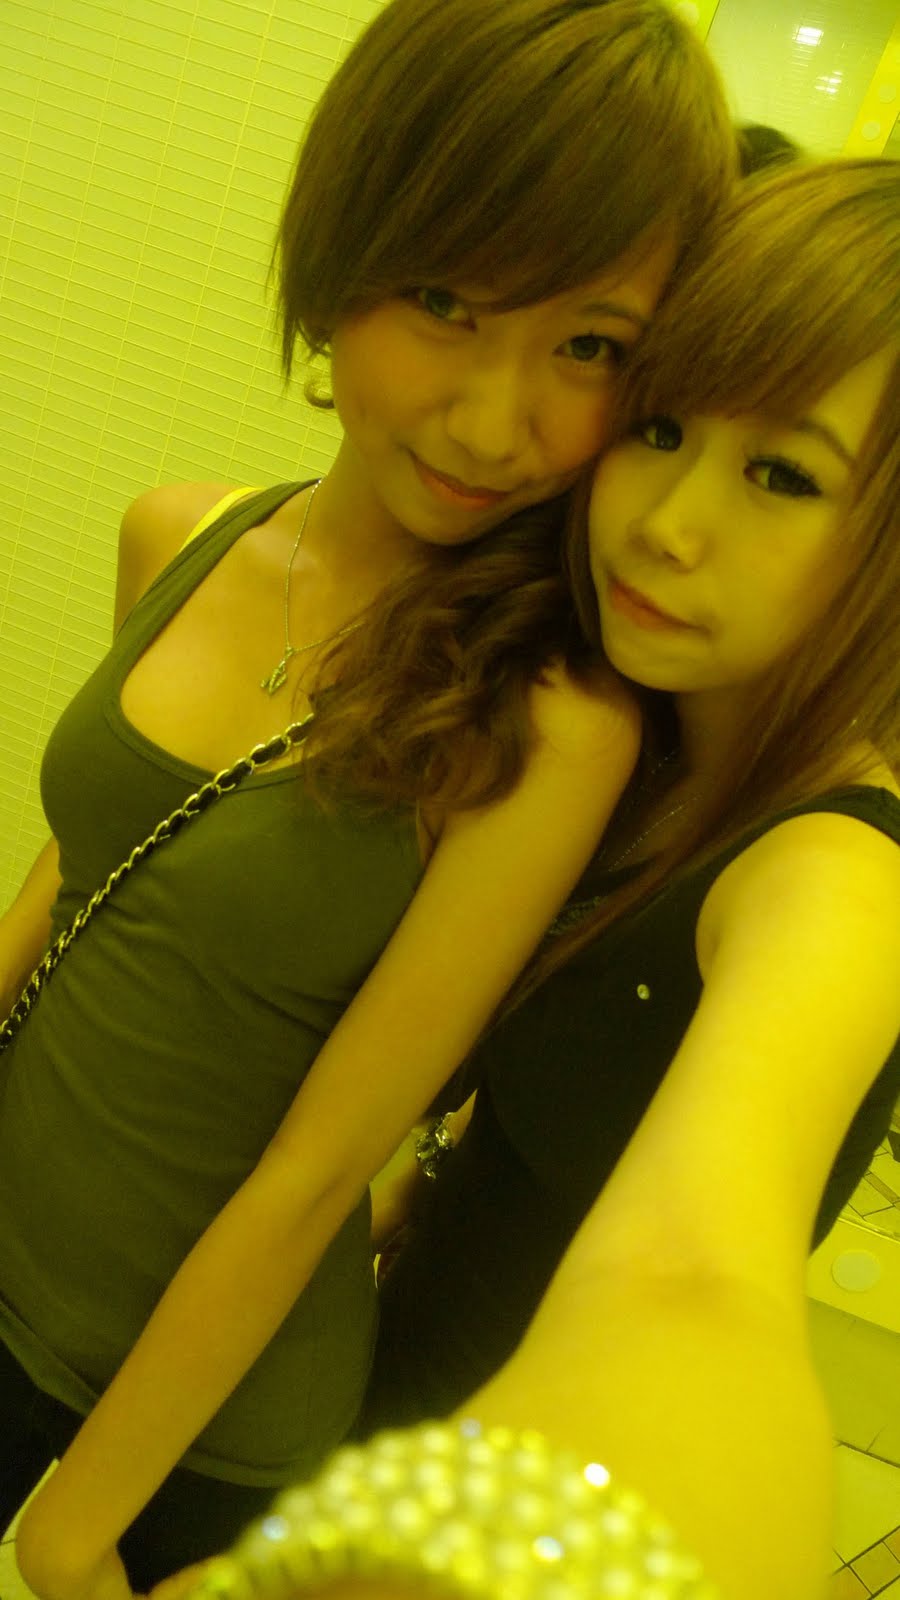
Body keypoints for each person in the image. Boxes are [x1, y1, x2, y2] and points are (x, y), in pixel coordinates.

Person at [0, 0, 735, 1593]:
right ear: (342, 253)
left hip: (199, 1421)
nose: (492, 421)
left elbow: (324, 1165)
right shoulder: (181, 531)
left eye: (590, 348)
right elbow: (92, 867)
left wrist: (76, 1519)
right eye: (447, 301)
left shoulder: (551, 723)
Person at [348, 157, 900, 1600]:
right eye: (659, 429)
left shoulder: (838, 877)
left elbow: (693, 1281)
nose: (664, 522)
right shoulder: (647, 755)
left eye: (783, 476)